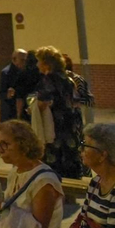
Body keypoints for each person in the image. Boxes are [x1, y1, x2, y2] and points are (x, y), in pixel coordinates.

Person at [31, 46, 86, 179]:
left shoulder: (48, 80)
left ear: (46, 63)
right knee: (70, 162)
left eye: (39, 61)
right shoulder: (68, 79)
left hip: (56, 129)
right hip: (71, 128)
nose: (37, 64)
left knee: (54, 167)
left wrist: (32, 105)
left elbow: (43, 102)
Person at [0, 48, 40, 124]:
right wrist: (8, 94)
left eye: (25, 60)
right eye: (22, 60)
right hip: (10, 111)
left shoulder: (28, 72)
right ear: (14, 60)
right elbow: (1, 93)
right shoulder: (7, 73)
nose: (24, 63)